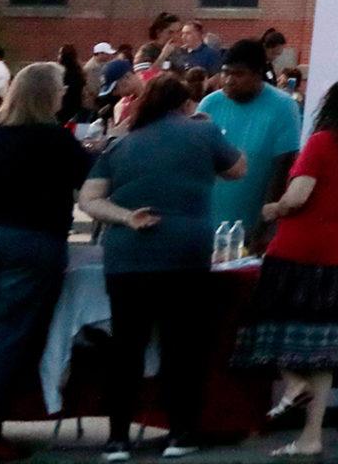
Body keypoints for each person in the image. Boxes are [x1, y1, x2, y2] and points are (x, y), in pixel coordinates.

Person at [79, 72, 246, 461]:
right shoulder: (201, 133)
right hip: (184, 254)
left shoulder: (120, 145)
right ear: (185, 104)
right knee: (181, 348)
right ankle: (179, 433)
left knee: (127, 348)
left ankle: (117, 438)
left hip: (126, 258)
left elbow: (88, 199)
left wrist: (125, 217)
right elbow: (238, 169)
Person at [237, 77, 338, 458]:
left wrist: (273, 209)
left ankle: (293, 385)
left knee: (266, 326)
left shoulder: (321, 143)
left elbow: (298, 195)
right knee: (325, 349)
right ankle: (312, 436)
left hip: (298, 251)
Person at [0, 62, 90, 461]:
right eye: (61, 88)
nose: (64, 93)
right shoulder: (55, 140)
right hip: (31, 239)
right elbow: (93, 180)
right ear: (47, 94)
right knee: (10, 334)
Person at [200, 42, 304, 252]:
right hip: (207, 223)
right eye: (225, 73)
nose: (229, 80)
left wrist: (264, 228)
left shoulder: (284, 107)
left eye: (238, 74)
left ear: (258, 74)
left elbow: (283, 167)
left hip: (252, 225)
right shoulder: (210, 104)